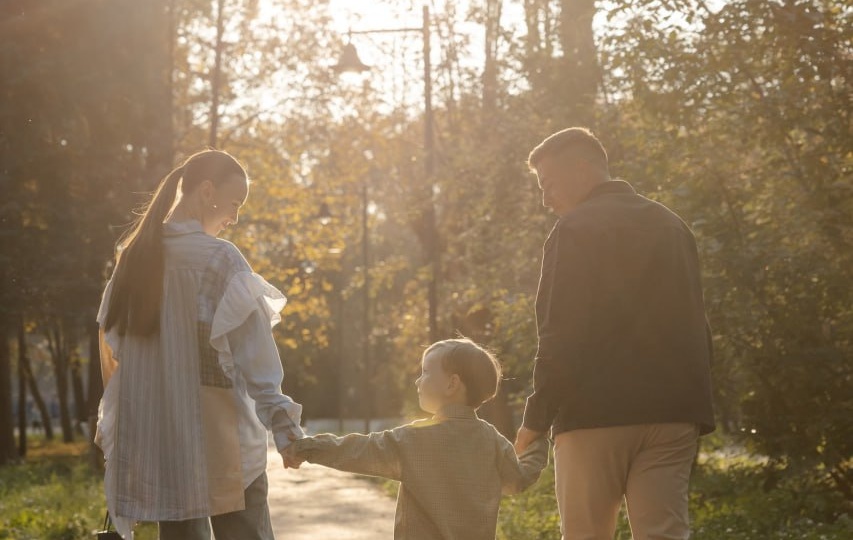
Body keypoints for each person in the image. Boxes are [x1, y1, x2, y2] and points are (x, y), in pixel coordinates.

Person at [514, 127, 715, 540]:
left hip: (593, 416)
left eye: (548, 183)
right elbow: (698, 322)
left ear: (582, 169)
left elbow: (560, 336)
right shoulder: (673, 226)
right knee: (664, 534)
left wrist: (535, 418)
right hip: (673, 414)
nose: (545, 198)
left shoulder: (573, 231)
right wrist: (695, 409)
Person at [96, 149, 304, 540]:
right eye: (234, 202)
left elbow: (113, 357)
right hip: (222, 444)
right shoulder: (220, 259)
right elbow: (255, 355)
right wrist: (283, 424)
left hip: (164, 448)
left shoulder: (132, 261)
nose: (235, 217)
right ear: (207, 190)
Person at [284, 338, 549, 540]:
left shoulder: (413, 439)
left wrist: (306, 446)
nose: (417, 381)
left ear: (451, 384)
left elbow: (356, 450)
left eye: (425, 372)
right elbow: (519, 479)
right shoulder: (492, 440)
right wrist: (538, 442)